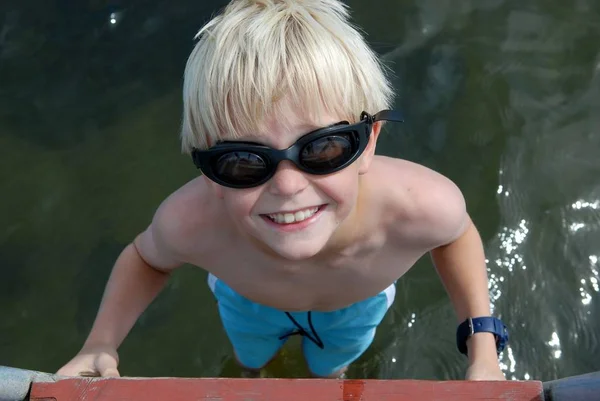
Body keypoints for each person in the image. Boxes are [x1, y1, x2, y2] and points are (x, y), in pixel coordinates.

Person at [57, 0, 507, 380]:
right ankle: (250, 374)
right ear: (209, 170)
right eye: (242, 161)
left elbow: (456, 236)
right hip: (249, 305)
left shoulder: (419, 205)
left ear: (368, 142)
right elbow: (145, 258)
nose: (288, 186)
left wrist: (482, 345)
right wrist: (103, 342)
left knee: (330, 370)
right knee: (247, 361)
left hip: (354, 309)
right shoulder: (191, 222)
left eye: (325, 148)